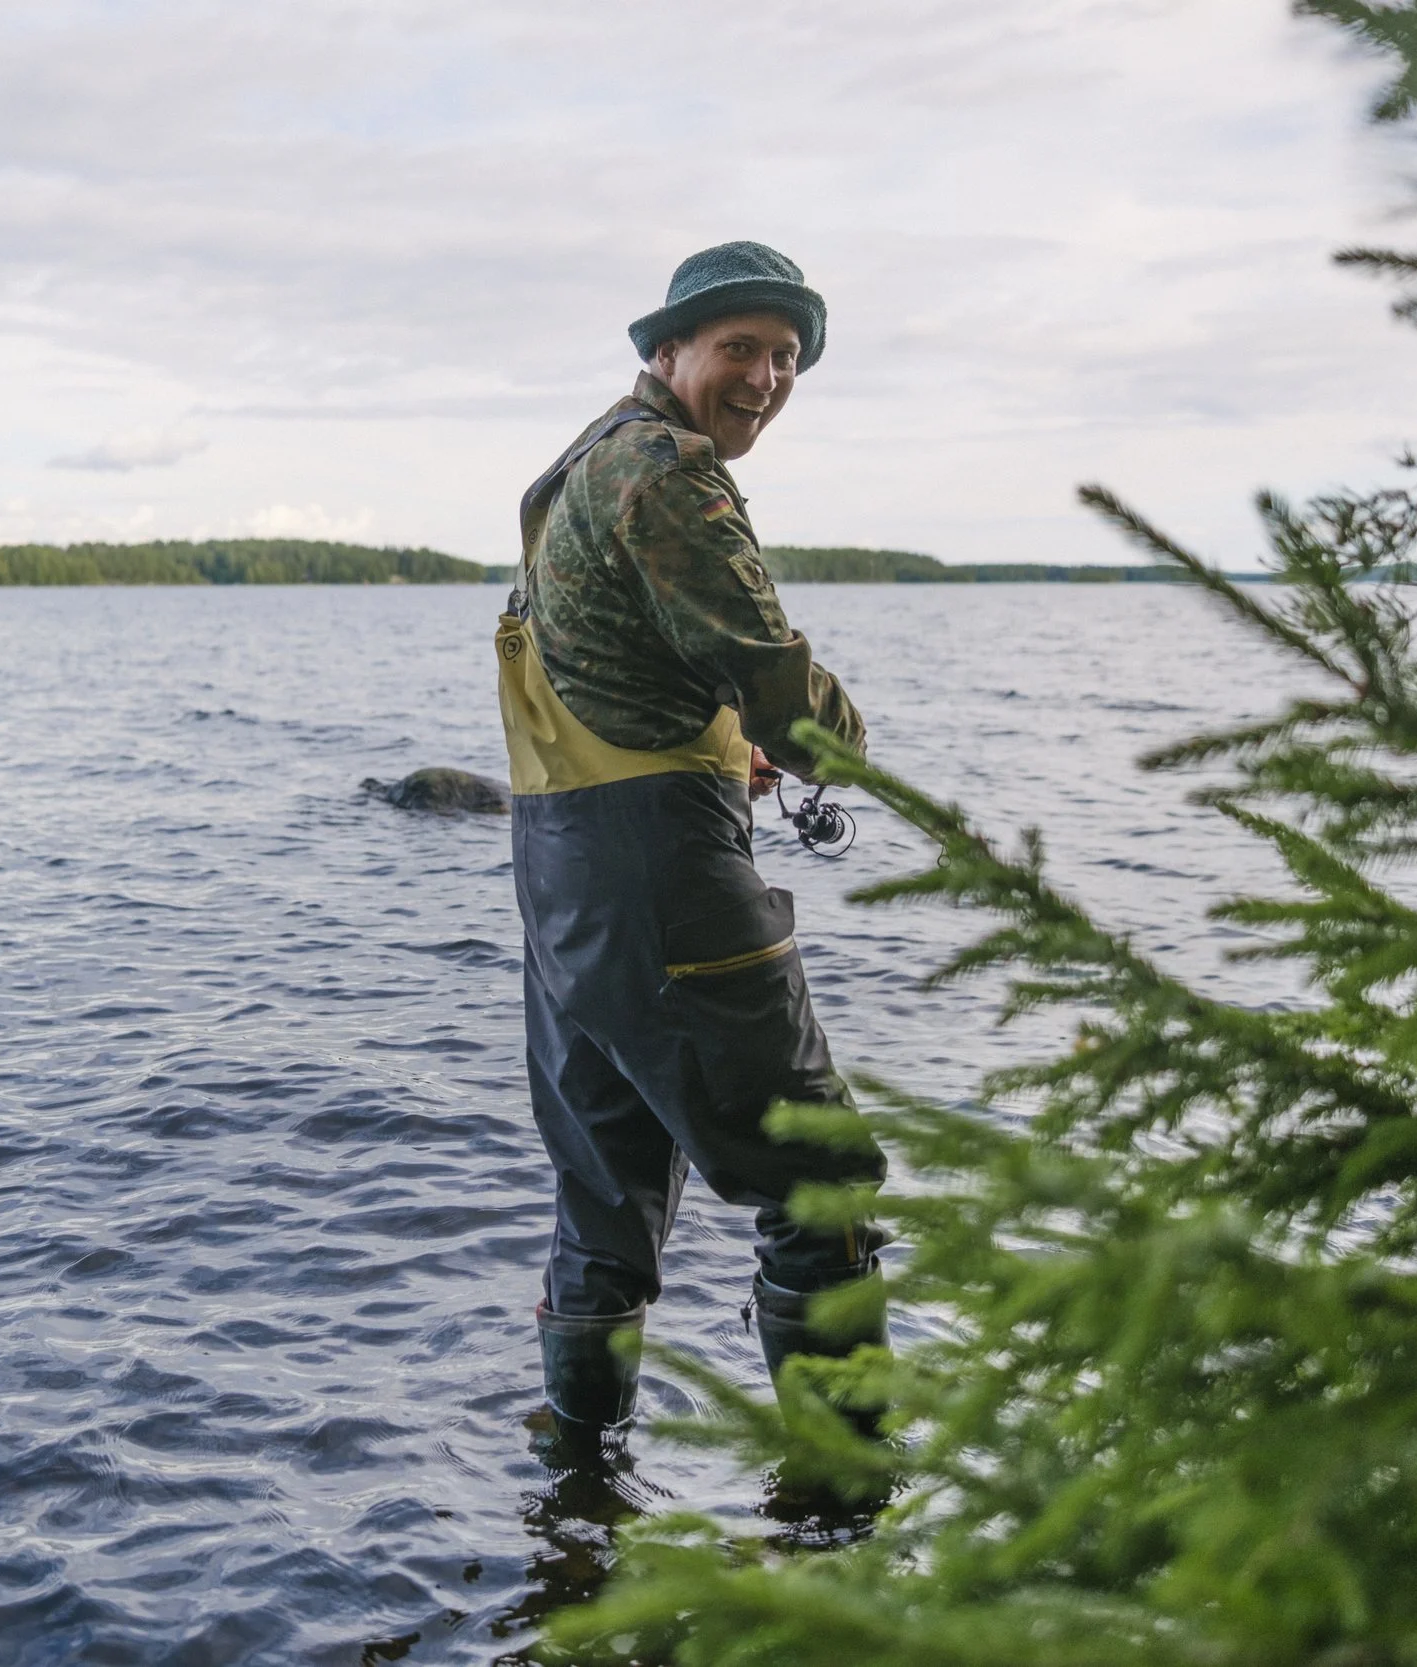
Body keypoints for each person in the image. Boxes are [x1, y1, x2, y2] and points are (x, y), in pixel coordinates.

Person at [498, 240, 887, 1436]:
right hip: (666, 876)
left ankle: (575, 1491)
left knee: (604, 1201)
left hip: (561, 881)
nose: (765, 377)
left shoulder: (580, 468)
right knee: (819, 1183)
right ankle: (843, 1502)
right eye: (740, 348)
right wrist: (841, 745)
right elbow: (771, 676)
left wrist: (726, 749)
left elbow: (612, 667)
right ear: (666, 353)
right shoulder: (671, 472)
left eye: (784, 357)